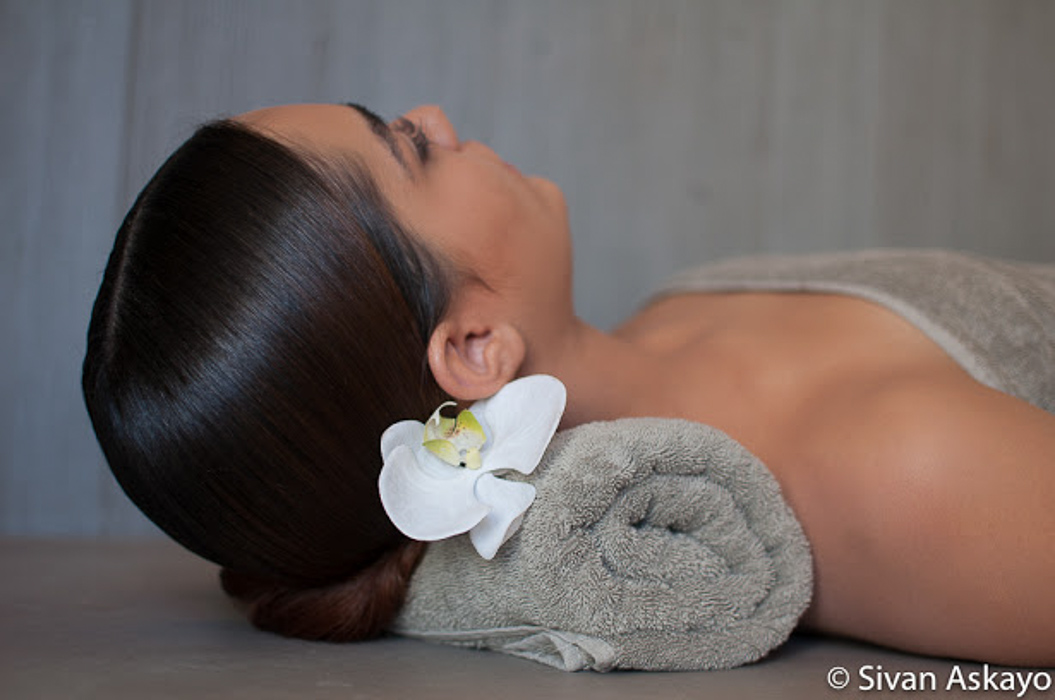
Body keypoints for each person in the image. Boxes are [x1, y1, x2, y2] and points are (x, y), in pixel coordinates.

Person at [82, 103, 1055, 667]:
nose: (436, 119)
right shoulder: (887, 474)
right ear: (473, 350)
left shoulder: (669, 311)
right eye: (409, 149)